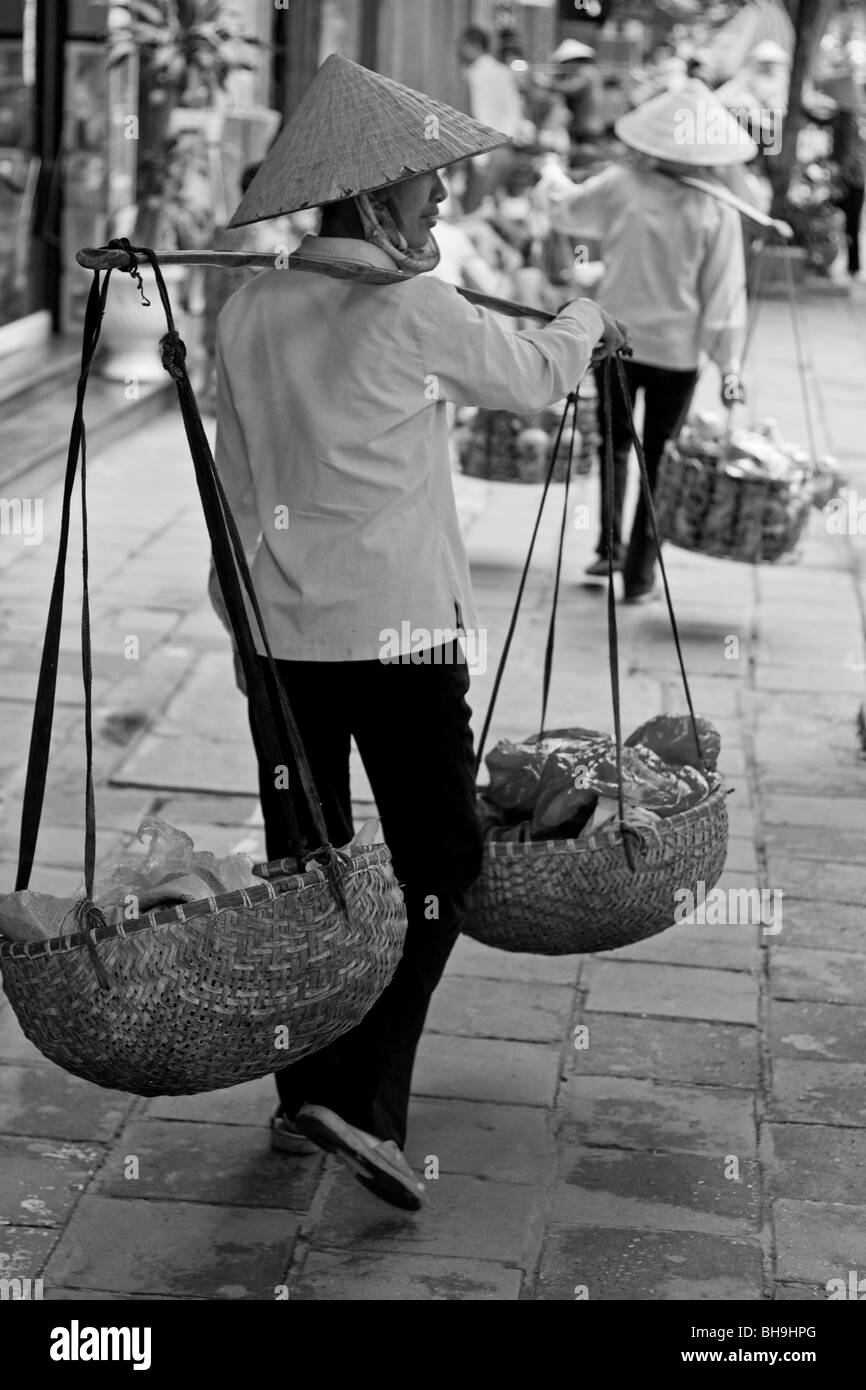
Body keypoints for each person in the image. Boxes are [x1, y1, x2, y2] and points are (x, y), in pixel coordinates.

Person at [209, 54, 628, 1211]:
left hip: (278, 638)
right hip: (394, 638)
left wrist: (244, 613)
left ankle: (305, 1091)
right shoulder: (410, 308)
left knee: (314, 868)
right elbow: (535, 375)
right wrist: (583, 316)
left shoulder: (247, 310)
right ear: (373, 199)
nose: (440, 200)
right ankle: (360, 1092)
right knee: (438, 862)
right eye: (426, 187)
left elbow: (235, 488)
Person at [535, 79, 753, 602]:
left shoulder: (621, 183)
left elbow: (565, 208)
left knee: (613, 445)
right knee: (658, 458)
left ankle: (609, 548)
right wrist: (729, 369)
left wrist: (549, 174)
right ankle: (638, 574)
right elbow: (723, 296)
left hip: (615, 342)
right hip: (677, 353)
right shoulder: (715, 208)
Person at [457, 25, 524, 211]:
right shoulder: (503, 72)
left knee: (474, 210)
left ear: (473, 45)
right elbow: (515, 110)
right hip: (506, 149)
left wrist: (480, 157)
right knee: (491, 208)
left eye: (461, 46)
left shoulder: (476, 73)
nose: (458, 52)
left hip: (485, 150)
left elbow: (478, 113)